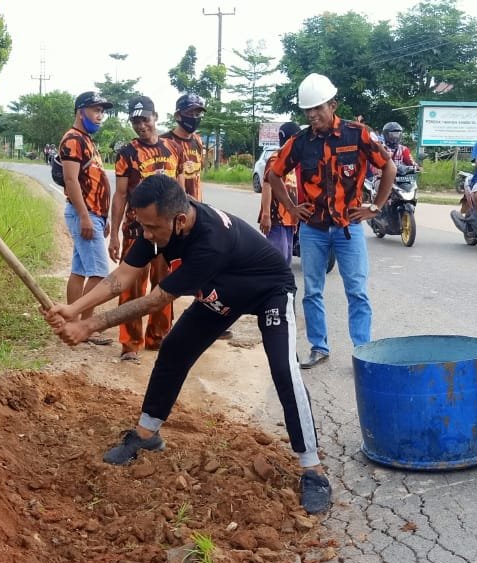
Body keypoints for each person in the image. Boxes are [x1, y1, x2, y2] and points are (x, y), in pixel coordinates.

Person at [44, 174, 333, 514]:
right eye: (143, 227)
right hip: (220, 292)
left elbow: (156, 300)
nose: (146, 235)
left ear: (179, 220)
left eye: (152, 228)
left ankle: (313, 470)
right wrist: (74, 310)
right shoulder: (158, 226)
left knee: (285, 371)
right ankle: (147, 435)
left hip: (268, 290)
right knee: (174, 351)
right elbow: (120, 277)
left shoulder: (209, 240)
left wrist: (90, 325)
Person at [268, 73, 396, 369]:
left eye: (318, 108)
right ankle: (319, 347)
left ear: (333, 104)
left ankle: (362, 351)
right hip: (313, 229)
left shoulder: (358, 134)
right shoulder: (300, 142)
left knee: (357, 291)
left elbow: (387, 165)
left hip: (348, 228)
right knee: (312, 290)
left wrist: (376, 207)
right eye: (307, 110)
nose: (313, 115)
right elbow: (275, 174)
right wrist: (290, 205)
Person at [108, 96, 179, 363]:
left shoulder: (173, 149)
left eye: (144, 120)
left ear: (156, 116)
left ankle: (158, 338)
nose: (141, 126)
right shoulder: (126, 153)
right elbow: (121, 195)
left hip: (168, 233)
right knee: (131, 289)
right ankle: (130, 344)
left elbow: (180, 190)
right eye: (135, 121)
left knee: (165, 286)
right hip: (136, 232)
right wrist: (114, 233)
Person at [58, 91, 116, 346]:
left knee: (80, 269)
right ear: (80, 111)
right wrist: (85, 217)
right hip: (85, 212)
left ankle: (72, 324)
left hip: (94, 214)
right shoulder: (73, 140)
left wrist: (104, 217)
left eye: (102, 111)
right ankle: (83, 327)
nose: (99, 115)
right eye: (95, 110)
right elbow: (71, 180)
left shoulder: (87, 140)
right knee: (100, 272)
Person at [259, 122, 301, 265]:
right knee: (277, 259)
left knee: (287, 258)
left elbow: (292, 188)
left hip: (289, 219)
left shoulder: (292, 160)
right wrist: (266, 215)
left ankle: (283, 287)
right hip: (276, 217)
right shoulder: (276, 159)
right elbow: (266, 185)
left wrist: (294, 218)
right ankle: (273, 287)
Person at [162, 93, 207, 202]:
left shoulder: (198, 140)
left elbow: (197, 177)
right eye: (190, 113)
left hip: (196, 206)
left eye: (198, 114)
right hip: (173, 206)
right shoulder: (164, 142)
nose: (194, 118)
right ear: (178, 115)